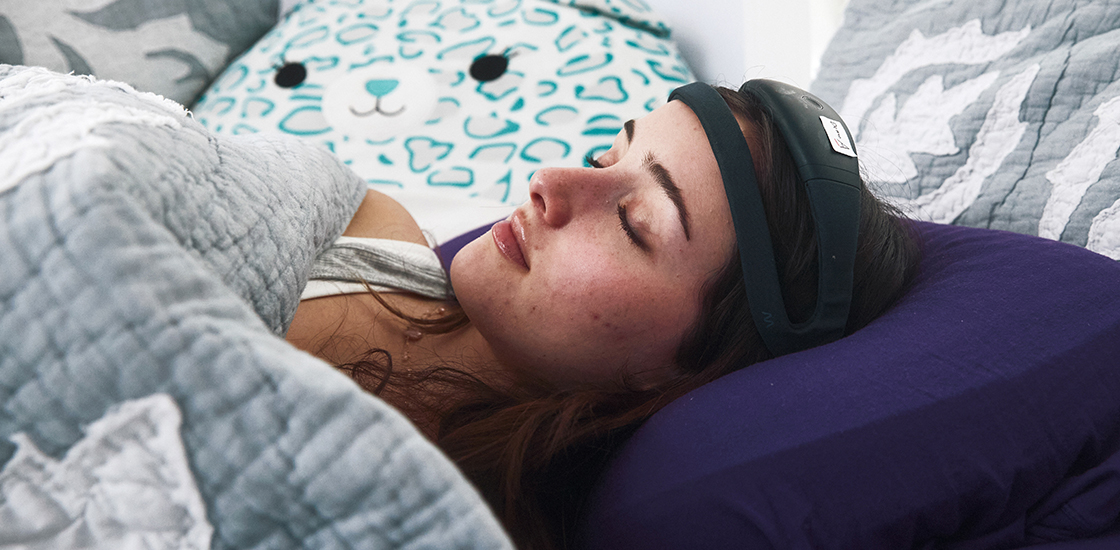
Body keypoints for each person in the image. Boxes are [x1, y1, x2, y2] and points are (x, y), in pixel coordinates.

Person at [286, 82, 922, 550]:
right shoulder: (364, 225)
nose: (547, 181)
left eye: (631, 222)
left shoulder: (440, 522)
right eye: (602, 158)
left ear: (689, 370)